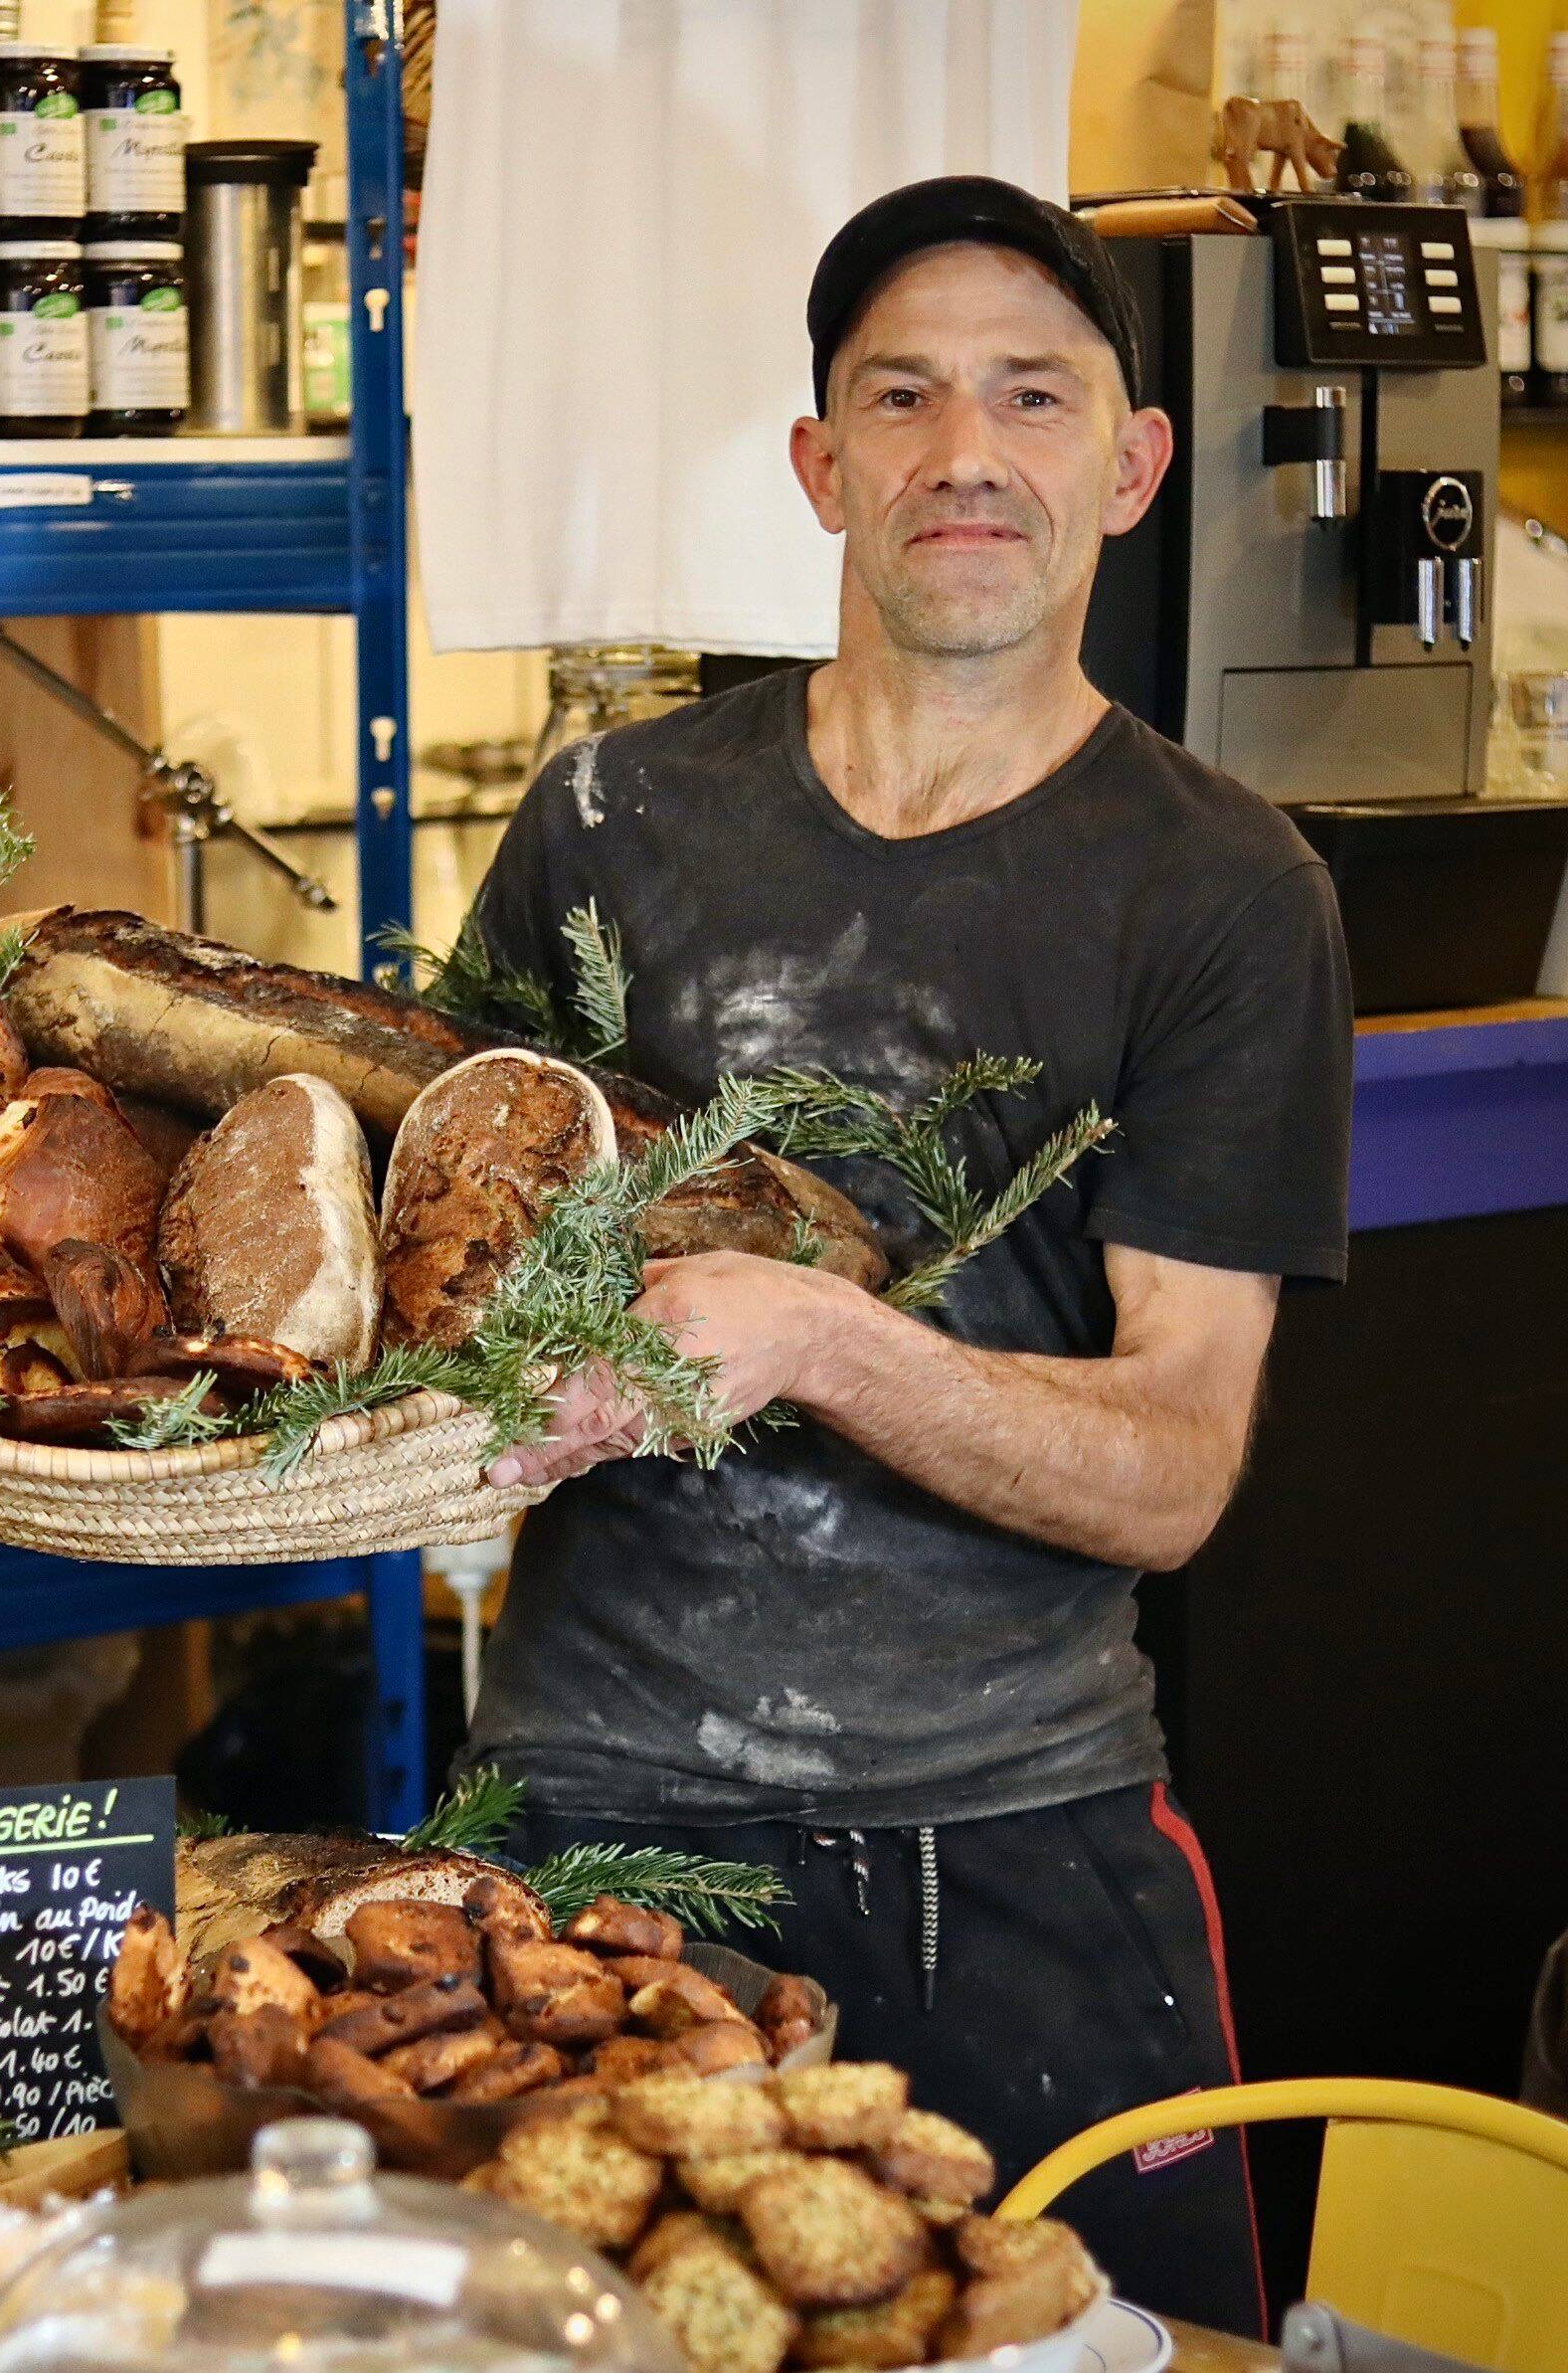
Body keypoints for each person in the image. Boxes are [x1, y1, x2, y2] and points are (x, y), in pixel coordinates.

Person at [455, 179, 1351, 2332]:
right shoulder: (607, 823)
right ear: (818, 465)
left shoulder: (1227, 896)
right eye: (903, 395)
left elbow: (1171, 1465)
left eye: (1033, 396)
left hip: (1014, 1856)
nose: (967, 450)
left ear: (1126, 466)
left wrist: (816, 1339)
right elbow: (451, 1293)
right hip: (579, 1833)